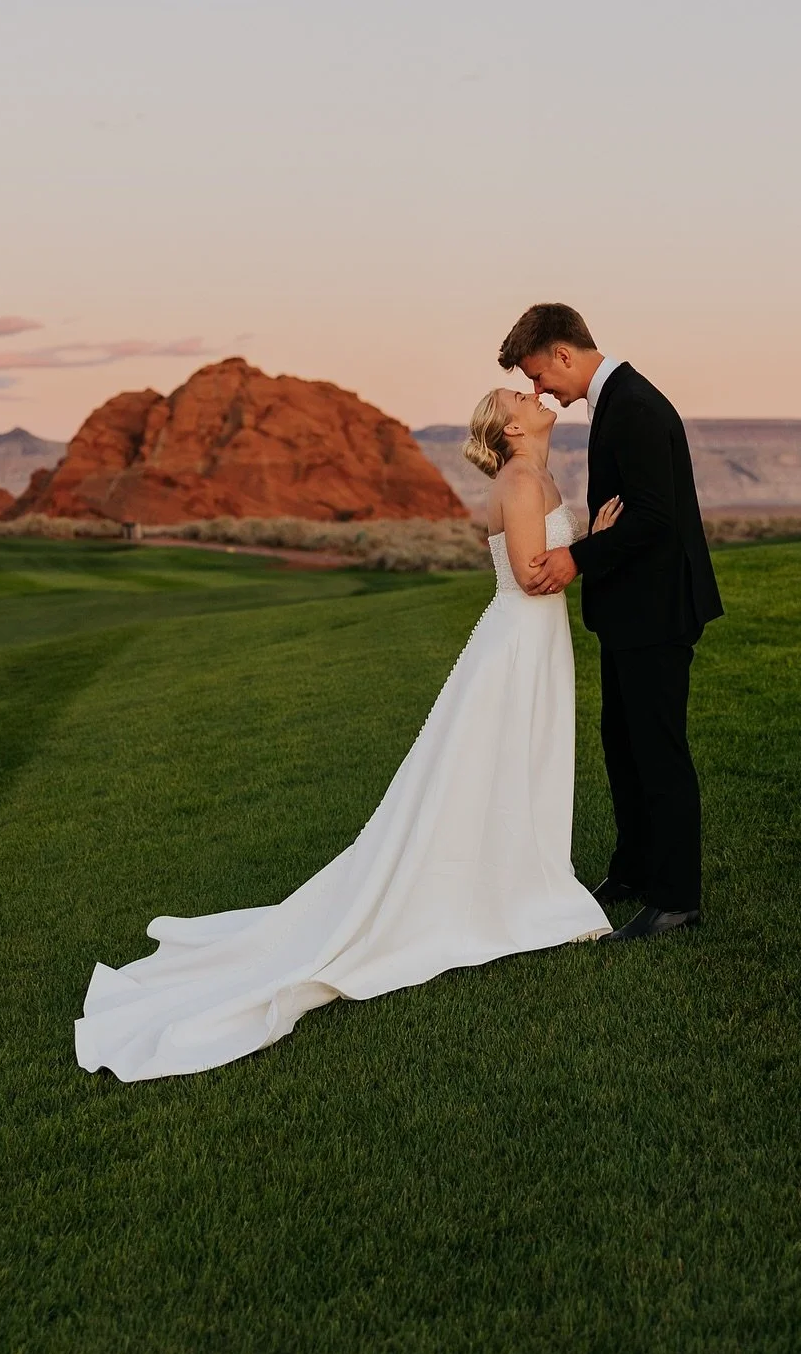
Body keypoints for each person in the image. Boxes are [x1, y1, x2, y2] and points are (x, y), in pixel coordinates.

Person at [75, 384, 620, 1080]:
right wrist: (596, 543)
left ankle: (524, 878)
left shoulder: (538, 473)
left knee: (523, 762)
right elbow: (531, 575)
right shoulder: (519, 479)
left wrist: (587, 542)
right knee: (494, 764)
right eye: (521, 394)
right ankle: (508, 891)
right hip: (515, 644)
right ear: (512, 427)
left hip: (537, 645)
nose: (535, 394)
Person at [501, 303, 723, 943]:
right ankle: (631, 871)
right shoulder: (617, 402)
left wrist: (578, 555)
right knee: (622, 747)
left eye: (540, 377)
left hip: (658, 612)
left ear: (563, 354)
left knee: (658, 754)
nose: (541, 391)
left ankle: (677, 901)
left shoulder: (635, 406)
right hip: (631, 612)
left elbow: (656, 518)